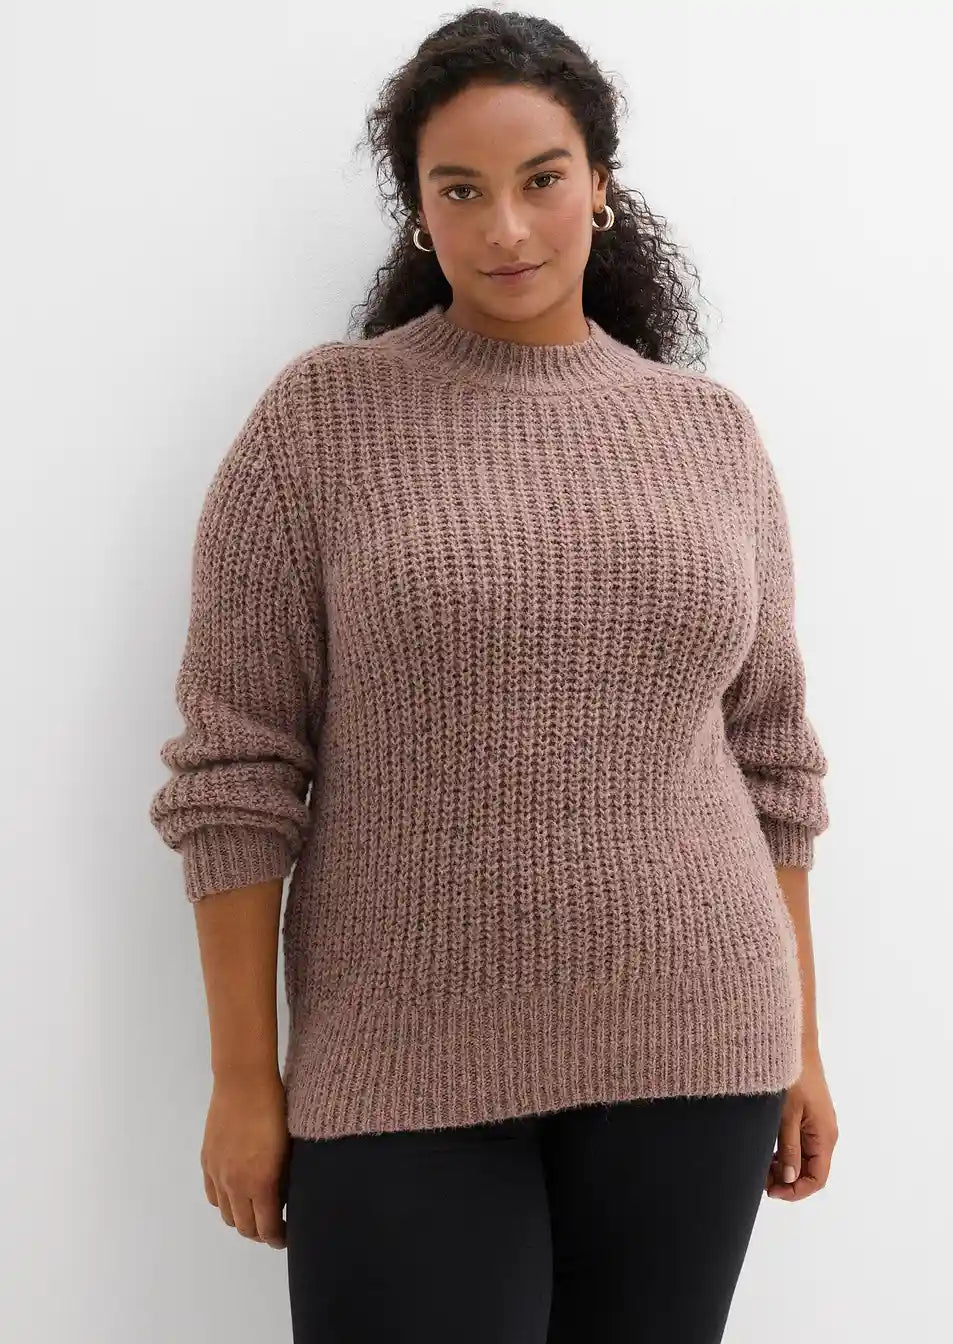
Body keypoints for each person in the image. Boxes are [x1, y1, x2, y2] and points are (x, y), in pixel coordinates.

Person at [148, 8, 839, 1342]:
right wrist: (244, 1078)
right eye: (459, 189)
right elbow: (236, 771)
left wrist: (801, 1042)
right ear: (417, 210)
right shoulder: (322, 421)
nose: (506, 228)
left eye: (542, 179)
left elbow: (773, 761)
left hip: (699, 1047)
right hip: (397, 1056)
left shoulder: (707, 433)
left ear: (601, 185)